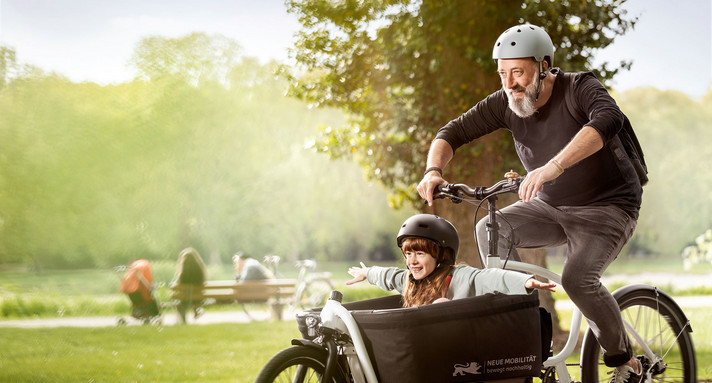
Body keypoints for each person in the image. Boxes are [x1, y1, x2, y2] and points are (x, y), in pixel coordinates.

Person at [416, 24, 643, 383]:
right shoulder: (505, 102)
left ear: (544, 65)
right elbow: (451, 132)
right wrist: (433, 170)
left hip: (609, 207)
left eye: (518, 72)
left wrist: (554, 165)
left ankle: (624, 362)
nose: (510, 83)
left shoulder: (578, 87)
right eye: (503, 73)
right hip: (550, 207)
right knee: (489, 228)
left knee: (578, 279)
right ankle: (523, 332)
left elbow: (608, 119)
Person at [346, 214, 556, 308]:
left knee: (440, 304)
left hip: (454, 348)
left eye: (420, 254)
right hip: (417, 347)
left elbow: (489, 277)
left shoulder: (458, 277)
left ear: (440, 255)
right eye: (408, 254)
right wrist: (368, 273)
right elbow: (389, 276)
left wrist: (524, 282)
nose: (412, 261)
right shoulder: (410, 280)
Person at [174, 247, 208, 320]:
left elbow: (178, 284)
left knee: (178, 304)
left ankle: (183, 321)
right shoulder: (200, 272)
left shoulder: (183, 274)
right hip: (198, 299)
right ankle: (197, 310)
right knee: (193, 295)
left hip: (185, 300)